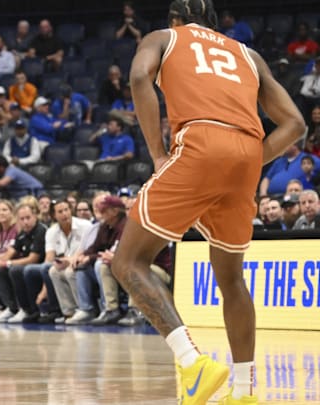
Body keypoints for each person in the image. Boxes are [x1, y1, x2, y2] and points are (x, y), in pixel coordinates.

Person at [111, 2, 306, 405]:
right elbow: (296, 124)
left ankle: (192, 362)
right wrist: (249, 160)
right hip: (248, 151)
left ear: (176, 21)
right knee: (232, 280)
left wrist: (158, 153)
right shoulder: (248, 55)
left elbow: (136, 77)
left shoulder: (163, 37)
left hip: (200, 142)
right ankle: (244, 391)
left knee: (128, 262)